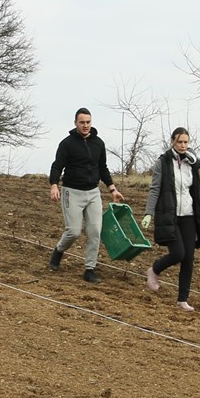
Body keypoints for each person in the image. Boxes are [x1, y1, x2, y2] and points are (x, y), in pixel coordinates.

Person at [141, 127, 200, 312]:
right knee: (178, 254)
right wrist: (149, 213)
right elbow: (155, 189)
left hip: (189, 215)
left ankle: (182, 300)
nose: (183, 145)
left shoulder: (192, 163)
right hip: (170, 215)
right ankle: (154, 269)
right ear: (173, 142)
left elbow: (197, 193)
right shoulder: (163, 162)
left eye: (186, 142)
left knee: (189, 259)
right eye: (179, 142)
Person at [46, 107, 123, 283]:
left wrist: (112, 189)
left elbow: (102, 168)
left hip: (93, 193)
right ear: (75, 123)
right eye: (82, 122)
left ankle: (90, 269)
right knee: (73, 231)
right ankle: (59, 251)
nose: (85, 125)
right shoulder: (67, 144)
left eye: (88, 122)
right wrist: (54, 186)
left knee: (95, 231)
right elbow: (57, 166)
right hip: (71, 192)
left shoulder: (98, 143)